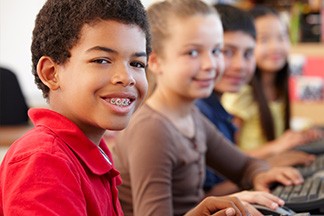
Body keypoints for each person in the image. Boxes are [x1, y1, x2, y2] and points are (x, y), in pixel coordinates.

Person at [0, 0, 253, 215]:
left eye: (136, 63)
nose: (127, 77)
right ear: (51, 73)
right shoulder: (43, 161)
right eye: (102, 60)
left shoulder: (91, 150)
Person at [112, 1, 303, 215]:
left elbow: (245, 167)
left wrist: (261, 176)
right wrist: (223, 202)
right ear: (155, 61)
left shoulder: (191, 116)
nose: (210, 64)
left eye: (215, 50)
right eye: (193, 53)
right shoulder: (152, 130)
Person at [196, 4, 316, 196]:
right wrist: (268, 163)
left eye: (248, 53)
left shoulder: (214, 110)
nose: (240, 65)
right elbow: (207, 194)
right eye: (226, 51)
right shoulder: (200, 113)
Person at [221, 5, 322, 161]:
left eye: (282, 37)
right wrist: (278, 146)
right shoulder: (240, 94)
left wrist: (299, 136)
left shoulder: (278, 86)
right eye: (264, 39)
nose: (276, 47)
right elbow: (227, 158)